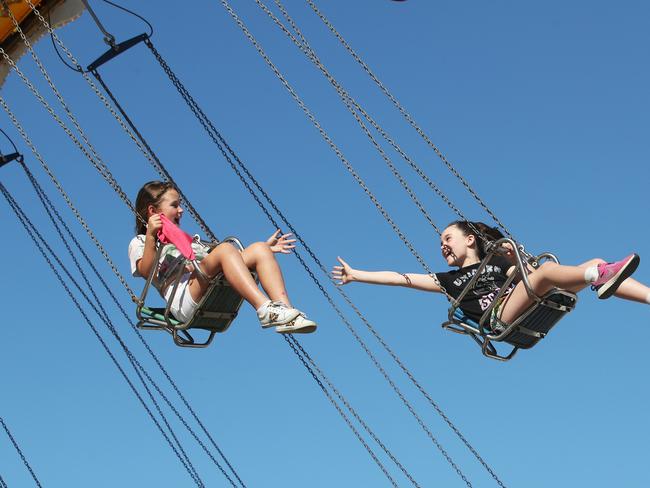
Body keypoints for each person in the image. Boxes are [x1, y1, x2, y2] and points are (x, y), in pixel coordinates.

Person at [332, 220, 649, 331]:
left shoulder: (497, 265)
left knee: (587, 262)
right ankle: (597, 275)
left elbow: (527, 274)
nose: (442, 246)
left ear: (469, 240)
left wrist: (514, 257)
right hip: (500, 316)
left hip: (523, 300)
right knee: (549, 274)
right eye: (440, 243)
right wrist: (357, 275)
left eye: (447, 239)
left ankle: (633, 289)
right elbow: (402, 278)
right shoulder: (448, 281)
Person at [128, 181, 317, 334]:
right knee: (225, 249)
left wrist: (264, 250)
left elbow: (224, 260)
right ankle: (264, 308)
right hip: (183, 298)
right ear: (153, 211)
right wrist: (152, 235)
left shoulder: (187, 241)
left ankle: (285, 312)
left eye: (180, 205)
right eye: (174, 205)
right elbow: (146, 271)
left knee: (259, 248)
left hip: (205, 281)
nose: (181, 210)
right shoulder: (140, 242)